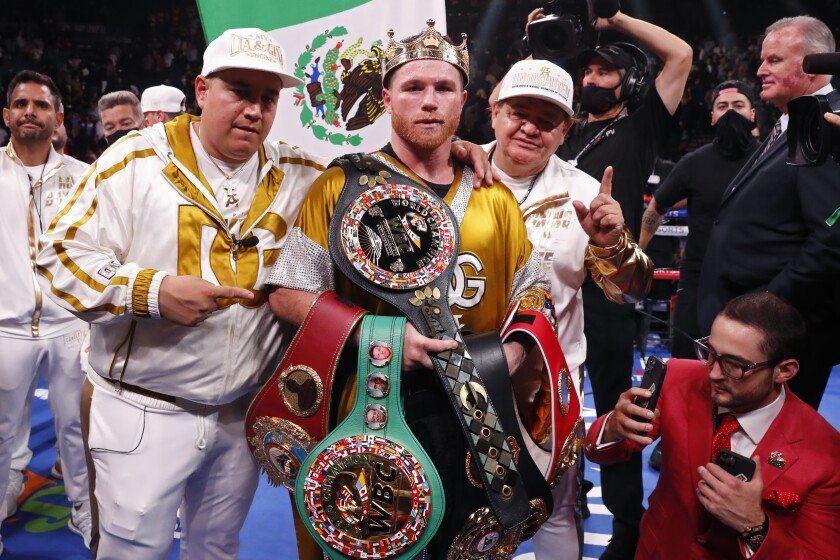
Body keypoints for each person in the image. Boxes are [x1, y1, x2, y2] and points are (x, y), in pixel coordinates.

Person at [37, 26, 496, 559]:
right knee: (132, 551)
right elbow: (58, 255)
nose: (253, 110)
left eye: (267, 97)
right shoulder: (134, 161)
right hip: (145, 406)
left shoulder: (299, 171)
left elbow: (382, 177)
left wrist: (450, 151)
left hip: (242, 412)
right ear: (202, 90)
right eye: (239, 92)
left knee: (218, 547)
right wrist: (152, 291)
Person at [266, 21, 557, 559]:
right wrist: (382, 337)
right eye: (413, 87)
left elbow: (534, 290)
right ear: (385, 98)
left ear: (463, 101)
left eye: (444, 88)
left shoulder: (494, 196)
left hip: (479, 415)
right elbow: (287, 292)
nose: (428, 101)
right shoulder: (341, 185)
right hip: (372, 404)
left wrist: (514, 352)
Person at [529, 6, 693, 556]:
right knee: (544, 398)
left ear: (630, 82)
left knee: (615, 406)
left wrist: (614, 18)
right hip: (553, 283)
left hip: (610, 287)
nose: (592, 79)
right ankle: (557, 494)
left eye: (605, 71)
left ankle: (626, 527)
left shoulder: (642, 123)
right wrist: (539, 45)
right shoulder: (564, 131)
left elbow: (681, 55)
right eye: (588, 71)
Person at [484, 59, 652, 560]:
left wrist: (612, 245)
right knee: (462, 507)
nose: (530, 127)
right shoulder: (451, 173)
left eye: (548, 119)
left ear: (566, 130)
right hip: (459, 374)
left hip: (547, 385)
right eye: (519, 113)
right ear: (494, 112)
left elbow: (631, 292)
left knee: (553, 511)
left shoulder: (584, 193)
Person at [585, 292, 840, 559]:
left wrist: (754, 527)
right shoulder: (678, 377)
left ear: (784, 371)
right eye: (710, 352)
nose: (714, 373)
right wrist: (613, 426)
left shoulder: (826, 454)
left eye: (735, 365)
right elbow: (602, 450)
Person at [698, 16, 840, 409]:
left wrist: (764, 304)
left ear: (815, 64)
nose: (760, 70)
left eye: (774, 60)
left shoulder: (826, 122)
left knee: (769, 442)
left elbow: (831, 238)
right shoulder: (793, 120)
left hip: (774, 338)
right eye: (763, 59)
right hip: (750, 331)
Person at [0, 70, 92, 553]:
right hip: (6, 326)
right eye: (21, 104)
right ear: (7, 115)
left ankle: (84, 508)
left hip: (70, 324)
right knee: (1, 429)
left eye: (40, 104)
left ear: (58, 117)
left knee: (76, 426)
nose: (29, 112)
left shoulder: (84, 177)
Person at [640, 80, 759, 358]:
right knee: (687, 360)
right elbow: (657, 205)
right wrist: (638, 256)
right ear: (712, 117)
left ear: (753, 114)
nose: (731, 112)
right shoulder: (695, 163)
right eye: (723, 106)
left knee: (747, 363)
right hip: (699, 280)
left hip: (753, 281)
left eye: (738, 105)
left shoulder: (769, 159)